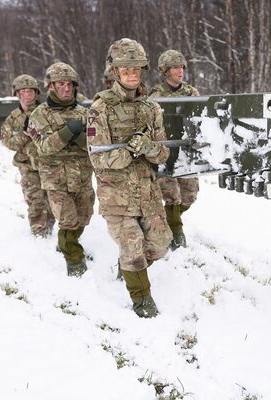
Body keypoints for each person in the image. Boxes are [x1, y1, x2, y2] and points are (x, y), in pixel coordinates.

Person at [87, 38, 173, 318]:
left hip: (147, 193)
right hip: (117, 196)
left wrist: (148, 147)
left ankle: (127, 265)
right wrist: (130, 151)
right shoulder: (100, 109)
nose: (132, 74)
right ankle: (142, 299)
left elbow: (162, 154)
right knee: (133, 247)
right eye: (126, 69)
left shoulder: (152, 108)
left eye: (136, 68)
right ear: (115, 71)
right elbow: (98, 159)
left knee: (160, 246)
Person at [27, 62, 95, 277]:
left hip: (82, 176)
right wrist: (68, 132)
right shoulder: (39, 115)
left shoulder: (85, 112)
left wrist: (80, 137)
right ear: (51, 86)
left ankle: (67, 242)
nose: (66, 88)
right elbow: (45, 147)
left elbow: (96, 144)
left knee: (84, 217)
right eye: (61, 84)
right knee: (67, 221)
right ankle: (74, 261)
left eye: (69, 84)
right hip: (56, 179)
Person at [148, 50, 200, 250]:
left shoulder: (191, 93)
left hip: (186, 152)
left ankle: (167, 218)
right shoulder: (155, 95)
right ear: (165, 71)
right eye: (175, 67)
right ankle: (176, 232)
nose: (180, 71)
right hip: (165, 152)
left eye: (181, 67)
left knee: (189, 195)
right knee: (171, 196)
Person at [1, 74, 55, 237]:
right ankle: (39, 233)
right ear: (17, 94)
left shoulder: (47, 112)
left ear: (36, 93)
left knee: (53, 199)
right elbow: (7, 141)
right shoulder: (13, 119)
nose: (27, 95)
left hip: (49, 164)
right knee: (35, 200)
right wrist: (25, 135)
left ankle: (51, 228)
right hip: (27, 167)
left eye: (30, 91)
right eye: (23, 91)